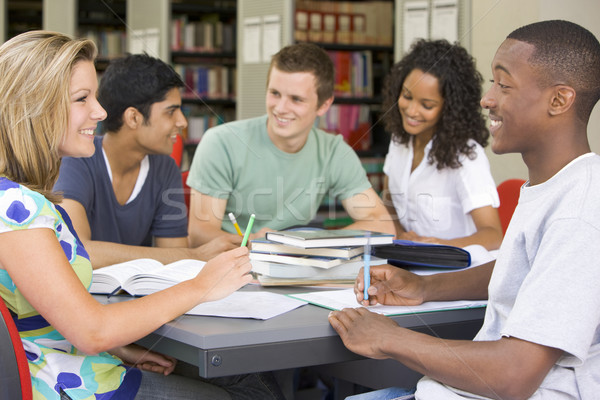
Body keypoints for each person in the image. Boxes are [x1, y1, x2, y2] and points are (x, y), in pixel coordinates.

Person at [0, 30, 285, 400]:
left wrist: (115, 348)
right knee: (250, 390)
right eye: (82, 98)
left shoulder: (21, 199)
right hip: (69, 386)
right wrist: (202, 285)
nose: (100, 112)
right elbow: (92, 330)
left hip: (71, 363)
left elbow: (37, 318)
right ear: (34, 107)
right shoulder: (17, 209)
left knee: (249, 379)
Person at [329, 19, 600, 399]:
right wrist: (424, 287)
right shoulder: (550, 186)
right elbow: (519, 269)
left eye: (503, 85)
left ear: (559, 100)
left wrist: (391, 339)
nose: (488, 99)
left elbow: (514, 375)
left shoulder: (581, 210)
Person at [186, 42, 394, 247]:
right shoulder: (221, 143)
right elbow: (200, 234)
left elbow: (383, 226)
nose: (281, 108)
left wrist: (302, 242)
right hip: (230, 262)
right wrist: (255, 244)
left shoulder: (333, 151)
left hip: (294, 262)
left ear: (324, 105)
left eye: (296, 99)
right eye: (275, 93)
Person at [54, 53, 240, 269]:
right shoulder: (77, 159)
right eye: (171, 112)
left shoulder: (165, 167)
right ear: (133, 118)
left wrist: (187, 256)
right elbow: (79, 251)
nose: (182, 121)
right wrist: (195, 255)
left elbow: (175, 261)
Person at [380, 39, 502, 251]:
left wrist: (439, 246)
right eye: (407, 96)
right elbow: (388, 200)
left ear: (449, 109)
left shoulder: (465, 155)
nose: (411, 111)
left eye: (427, 105)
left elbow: (493, 236)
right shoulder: (400, 139)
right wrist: (399, 233)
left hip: (454, 272)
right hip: (407, 263)